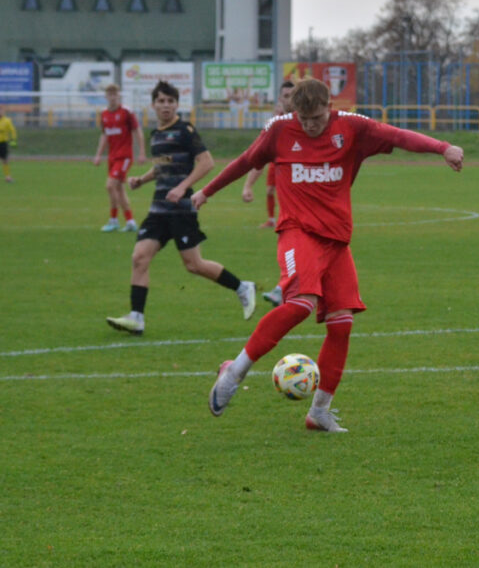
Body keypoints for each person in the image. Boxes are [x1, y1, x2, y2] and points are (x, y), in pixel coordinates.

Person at [193, 77, 464, 432]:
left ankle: (319, 411)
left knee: (341, 324)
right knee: (302, 302)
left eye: (317, 119)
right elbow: (245, 161)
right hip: (297, 232)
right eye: (304, 120)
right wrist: (206, 192)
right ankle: (235, 372)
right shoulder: (280, 130)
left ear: (329, 108)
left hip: (336, 240)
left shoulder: (352, 127)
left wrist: (442, 147)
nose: (311, 126)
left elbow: (398, 136)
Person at [106, 80, 256, 336]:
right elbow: (162, 165)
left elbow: (206, 162)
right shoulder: (157, 135)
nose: (166, 106)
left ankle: (242, 287)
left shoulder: (185, 130)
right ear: (153, 105)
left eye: (170, 101)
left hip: (181, 209)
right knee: (139, 257)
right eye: (161, 101)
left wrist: (183, 186)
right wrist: (141, 179)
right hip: (158, 210)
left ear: (176, 104)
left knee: (194, 265)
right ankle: (137, 317)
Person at [242, 79, 296, 307]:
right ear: (280, 99)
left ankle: (285, 288)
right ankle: (284, 288)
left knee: (298, 243)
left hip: (312, 199)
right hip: (292, 200)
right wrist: (247, 185)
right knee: (292, 242)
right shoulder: (274, 126)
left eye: (293, 95)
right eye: (285, 96)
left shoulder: (314, 123)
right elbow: (255, 159)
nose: (289, 100)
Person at [93, 84, 146, 232]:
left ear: (119, 96)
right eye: (109, 94)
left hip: (125, 157)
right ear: (106, 97)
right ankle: (130, 222)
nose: (112, 97)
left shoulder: (126, 112)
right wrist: (98, 155)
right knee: (119, 189)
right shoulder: (104, 114)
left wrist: (141, 152)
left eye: (115, 94)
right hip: (112, 157)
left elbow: (137, 131)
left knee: (110, 186)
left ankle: (114, 220)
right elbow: (104, 135)